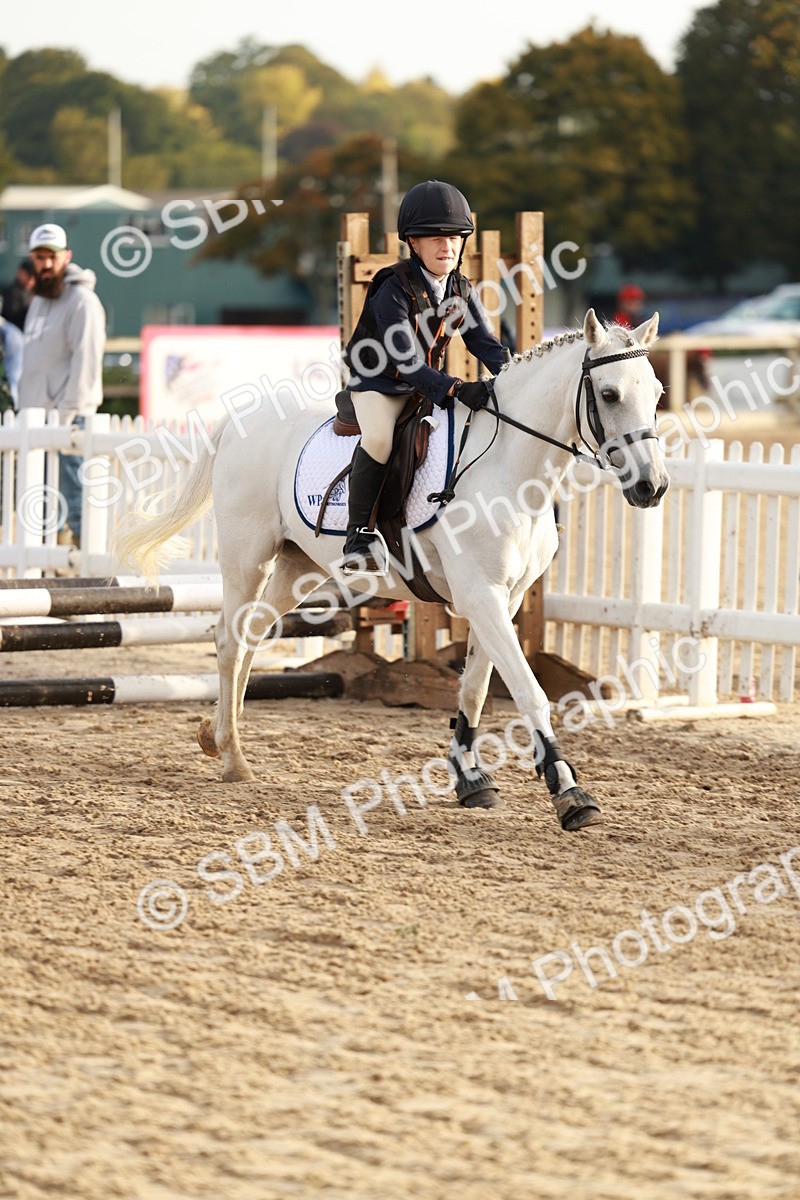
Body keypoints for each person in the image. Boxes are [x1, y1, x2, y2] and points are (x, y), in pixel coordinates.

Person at [340, 179, 507, 576]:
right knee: (379, 438)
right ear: (413, 243)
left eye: (453, 237)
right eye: (434, 238)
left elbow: (484, 343)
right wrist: (454, 387)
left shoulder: (459, 289)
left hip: (424, 387)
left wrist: (515, 375)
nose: (446, 247)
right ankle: (357, 537)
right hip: (379, 384)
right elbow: (406, 361)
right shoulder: (391, 289)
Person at [18, 224, 106, 548]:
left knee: (74, 500)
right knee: (42, 504)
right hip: (37, 419)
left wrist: (66, 416)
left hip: (69, 420)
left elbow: (86, 362)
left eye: (51, 257)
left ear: (66, 257)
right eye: (39, 257)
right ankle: (51, 575)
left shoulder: (83, 301)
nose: (45, 264)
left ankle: (87, 575)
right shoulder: (39, 301)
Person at [0, 259, 36, 331]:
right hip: (14, 331)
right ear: (20, 272)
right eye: (28, 276)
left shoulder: (36, 292)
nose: (31, 280)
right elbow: (12, 315)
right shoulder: (11, 291)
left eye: (33, 277)